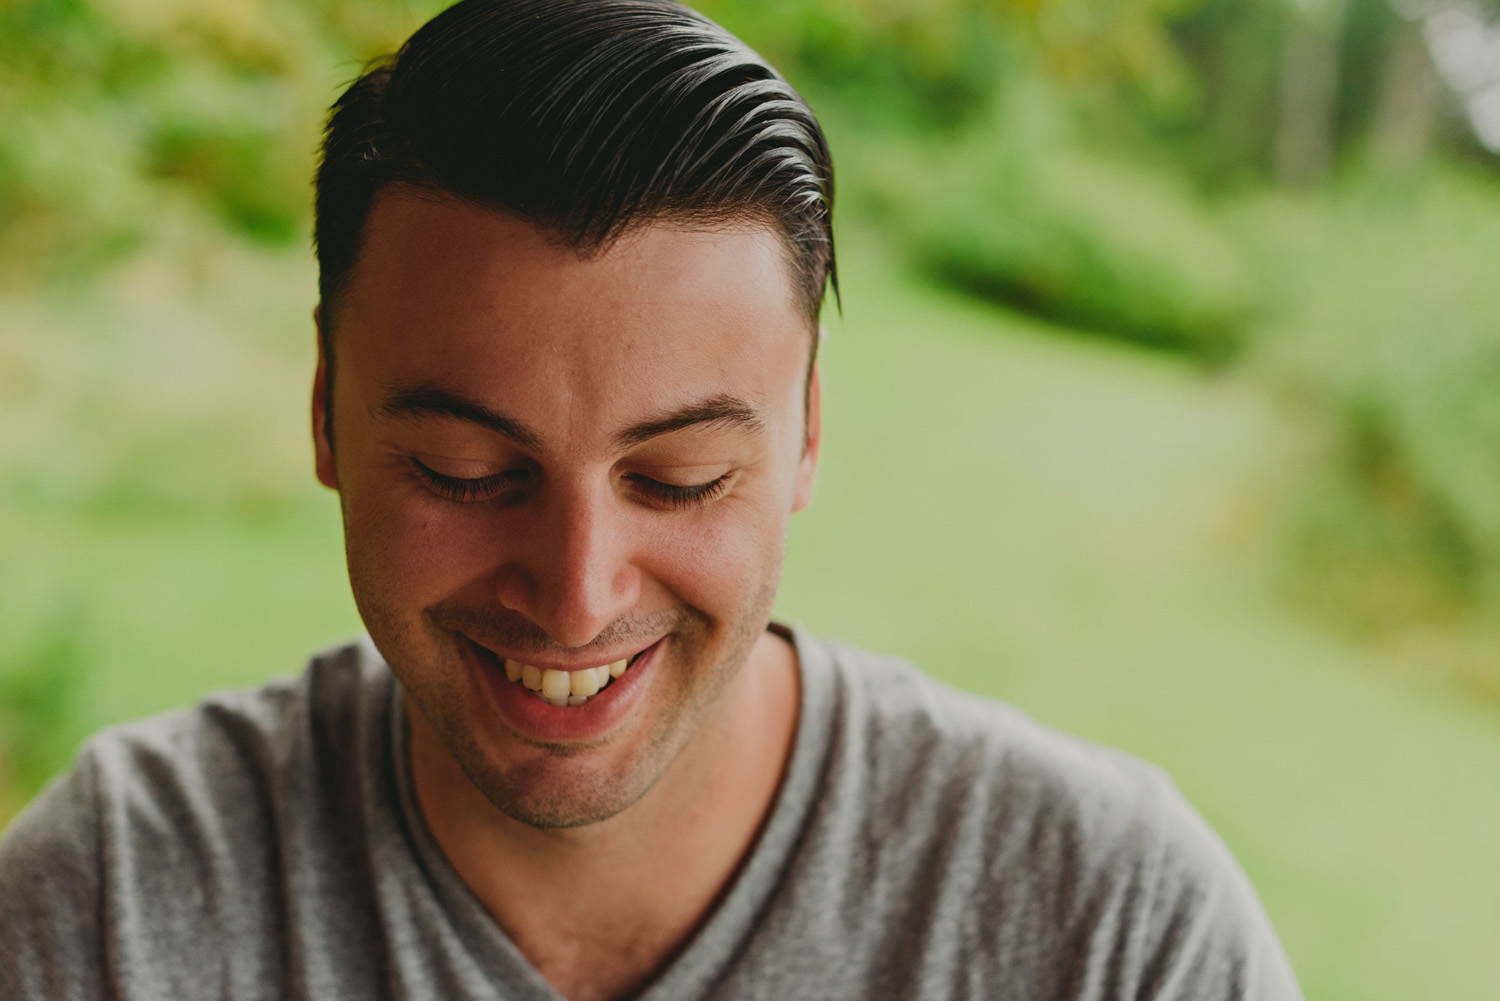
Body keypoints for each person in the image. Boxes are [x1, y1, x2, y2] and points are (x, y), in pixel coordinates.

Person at [0, 1, 1304, 998]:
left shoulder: (1112, 928)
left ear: (806, 435)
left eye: (679, 479)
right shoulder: (108, 906)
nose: (577, 590)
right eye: (468, 471)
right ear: (328, 412)